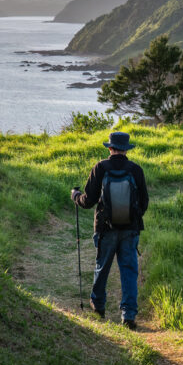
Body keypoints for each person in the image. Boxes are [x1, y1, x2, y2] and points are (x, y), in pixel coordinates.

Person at [71, 131, 149, 329]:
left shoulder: (101, 167)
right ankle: (128, 315)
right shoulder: (136, 170)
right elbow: (145, 203)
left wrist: (76, 196)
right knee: (129, 271)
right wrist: (132, 216)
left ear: (110, 148)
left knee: (102, 267)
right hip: (130, 230)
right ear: (126, 149)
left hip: (105, 229)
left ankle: (98, 307)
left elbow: (88, 201)